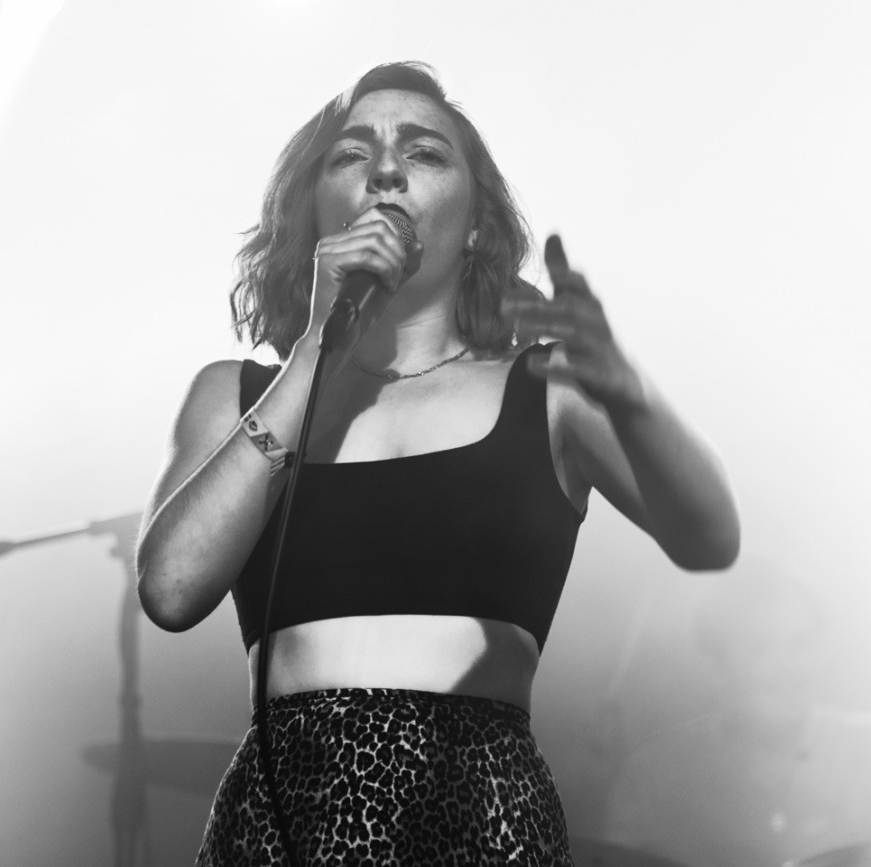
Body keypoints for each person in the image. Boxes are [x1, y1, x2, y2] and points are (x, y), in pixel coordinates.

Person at [135, 61, 740, 866]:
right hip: (285, 820)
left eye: (423, 152)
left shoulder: (549, 390)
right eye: (352, 154)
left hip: (483, 813)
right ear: (314, 212)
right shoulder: (236, 394)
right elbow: (171, 588)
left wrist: (634, 399)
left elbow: (710, 537)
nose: (386, 169)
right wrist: (316, 351)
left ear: (478, 223)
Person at [601, 568, 871, 867]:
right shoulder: (654, 774)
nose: (788, 668)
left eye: (802, 644)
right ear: (716, 665)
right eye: (762, 648)